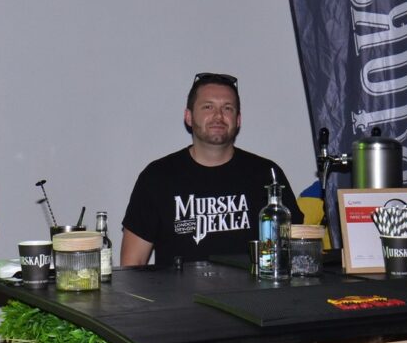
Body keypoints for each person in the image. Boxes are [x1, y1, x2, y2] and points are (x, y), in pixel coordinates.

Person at [121, 72, 302, 267]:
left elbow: (295, 251)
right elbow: (132, 264)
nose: (218, 116)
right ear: (189, 117)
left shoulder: (267, 174)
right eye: (208, 107)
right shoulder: (157, 177)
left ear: (238, 120)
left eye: (227, 108)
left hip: (253, 288)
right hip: (176, 289)